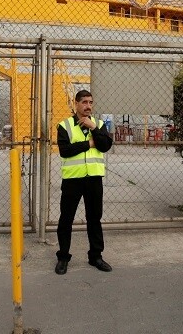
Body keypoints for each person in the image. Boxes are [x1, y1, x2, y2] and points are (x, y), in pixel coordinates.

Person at [54, 89, 113, 275]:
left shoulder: (99, 124)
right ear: (77, 104)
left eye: (90, 102)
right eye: (85, 102)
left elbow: (105, 146)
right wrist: (88, 144)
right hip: (73, 179)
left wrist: (94, 129)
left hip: (94, 179)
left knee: (94, 218)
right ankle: (63, 257)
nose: (88, 106)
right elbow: (65, 150)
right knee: (66, 219)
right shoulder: (64, 126)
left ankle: (96, 256)